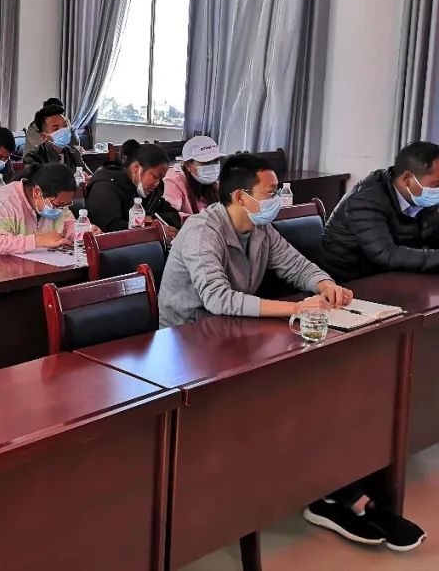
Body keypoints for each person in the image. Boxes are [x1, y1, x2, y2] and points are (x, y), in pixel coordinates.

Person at [158, 154, 426, 552]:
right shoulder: (202, 230)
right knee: (286, 398)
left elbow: (296, 265)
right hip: (189, 347)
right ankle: (339, 496)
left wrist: (324, 284)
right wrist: (296, 308)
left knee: (316, 387)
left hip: (235, 335)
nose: (278, 198)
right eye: (270, 192)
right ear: (241, 196)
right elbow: (217, 298)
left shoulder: (259, 228)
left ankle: (335, 492)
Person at [320, 141, 439, 281]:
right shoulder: (365, 200)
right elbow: (386, 254)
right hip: (348, 282)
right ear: (407, 179)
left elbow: (432, 236)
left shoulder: (422, 198)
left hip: (391, 275)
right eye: (437, 184)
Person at [0, 162, 82, 256]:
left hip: (39, 264)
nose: (61, 209)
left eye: (66, 205)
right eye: (57, 205)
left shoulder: (60, 203)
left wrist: (83, 233)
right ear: (37, 192)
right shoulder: (3, 202)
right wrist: (38, 240)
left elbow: (69, 225)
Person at [85, 140, 181, 236]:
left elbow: (172, 214)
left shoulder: (145, 188)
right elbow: (110, 228)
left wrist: (153, 220)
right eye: (155, 177)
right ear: (136, 168)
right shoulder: (105, 185)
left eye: (160, 179)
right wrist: (151, 228)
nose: (157, 183)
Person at [162, 135, 222, 218]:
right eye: (205, 162)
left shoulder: (218, 183)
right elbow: (171, 214)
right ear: (188, 165)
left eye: (216, 161)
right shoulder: (175, 179)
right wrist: (202, 220)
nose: (212, 167)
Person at [23, 104, 88, 172]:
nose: (63, 130)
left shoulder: (74, 153)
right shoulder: (32, 158)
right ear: (44, 136)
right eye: (56, 129)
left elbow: (90, 176)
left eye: (65, 125)